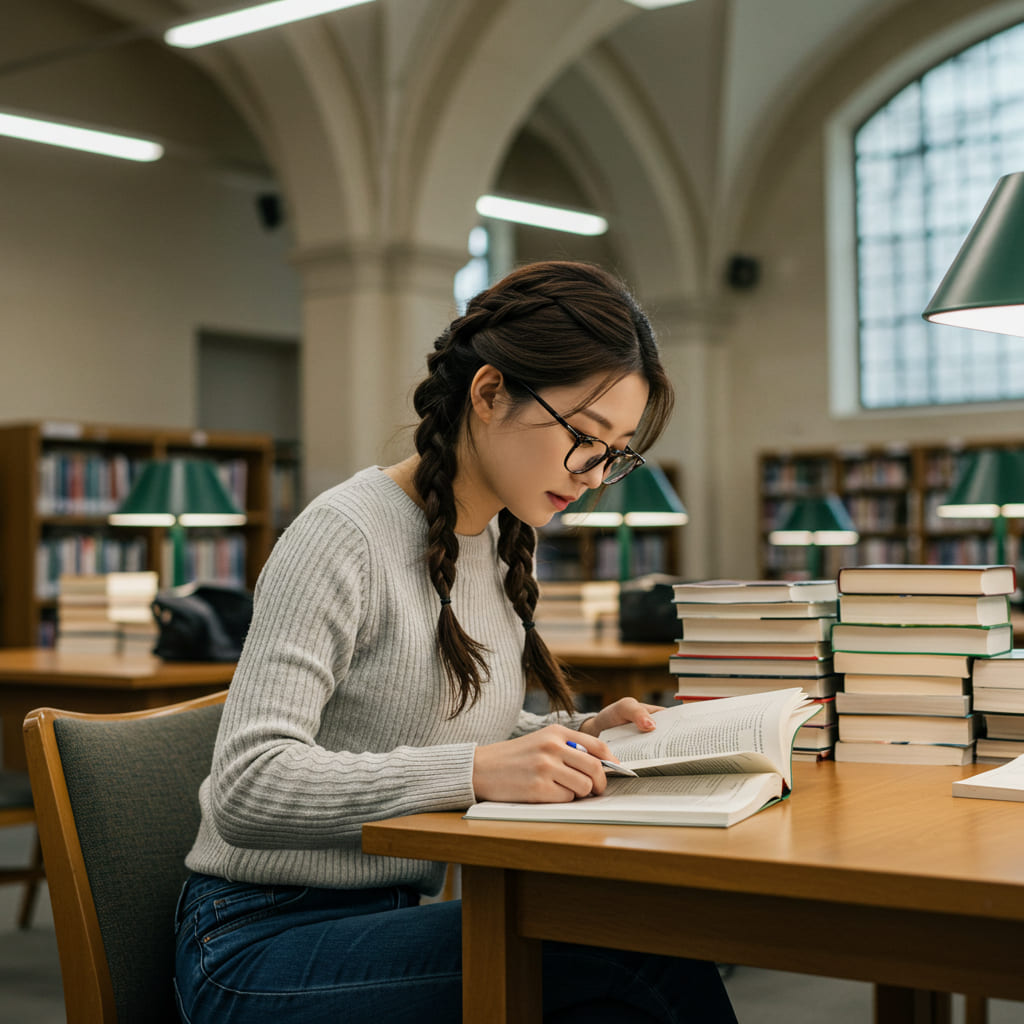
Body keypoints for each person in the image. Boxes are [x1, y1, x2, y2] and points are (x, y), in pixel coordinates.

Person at [173, 260, 738, 1024]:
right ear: (488, 393)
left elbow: (441, 721)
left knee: (622, 972)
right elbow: (248, 786)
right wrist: (477, 771)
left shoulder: (495, 537)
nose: (594, 474)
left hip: (387, 914)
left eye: (616, 453)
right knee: (635, 956)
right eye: (584, 437)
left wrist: (571, 739)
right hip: (256, 940)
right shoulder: (343, 535)